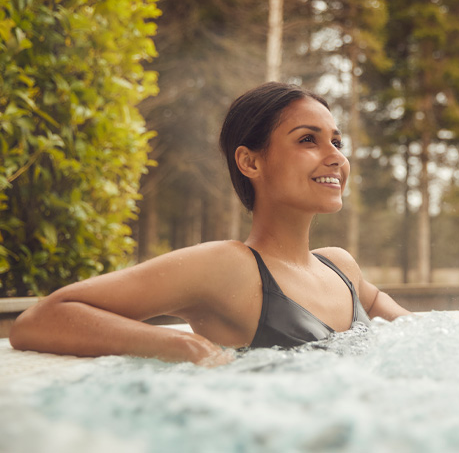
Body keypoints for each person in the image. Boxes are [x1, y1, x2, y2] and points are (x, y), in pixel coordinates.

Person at [10, 82, 411, 366]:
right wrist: (181, 346)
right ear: (250, 162)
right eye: (308, 139)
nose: (336, 157)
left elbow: (418, 339)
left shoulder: (341, 267)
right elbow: (41, 318)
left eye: (336, 142)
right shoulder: (229, 267)